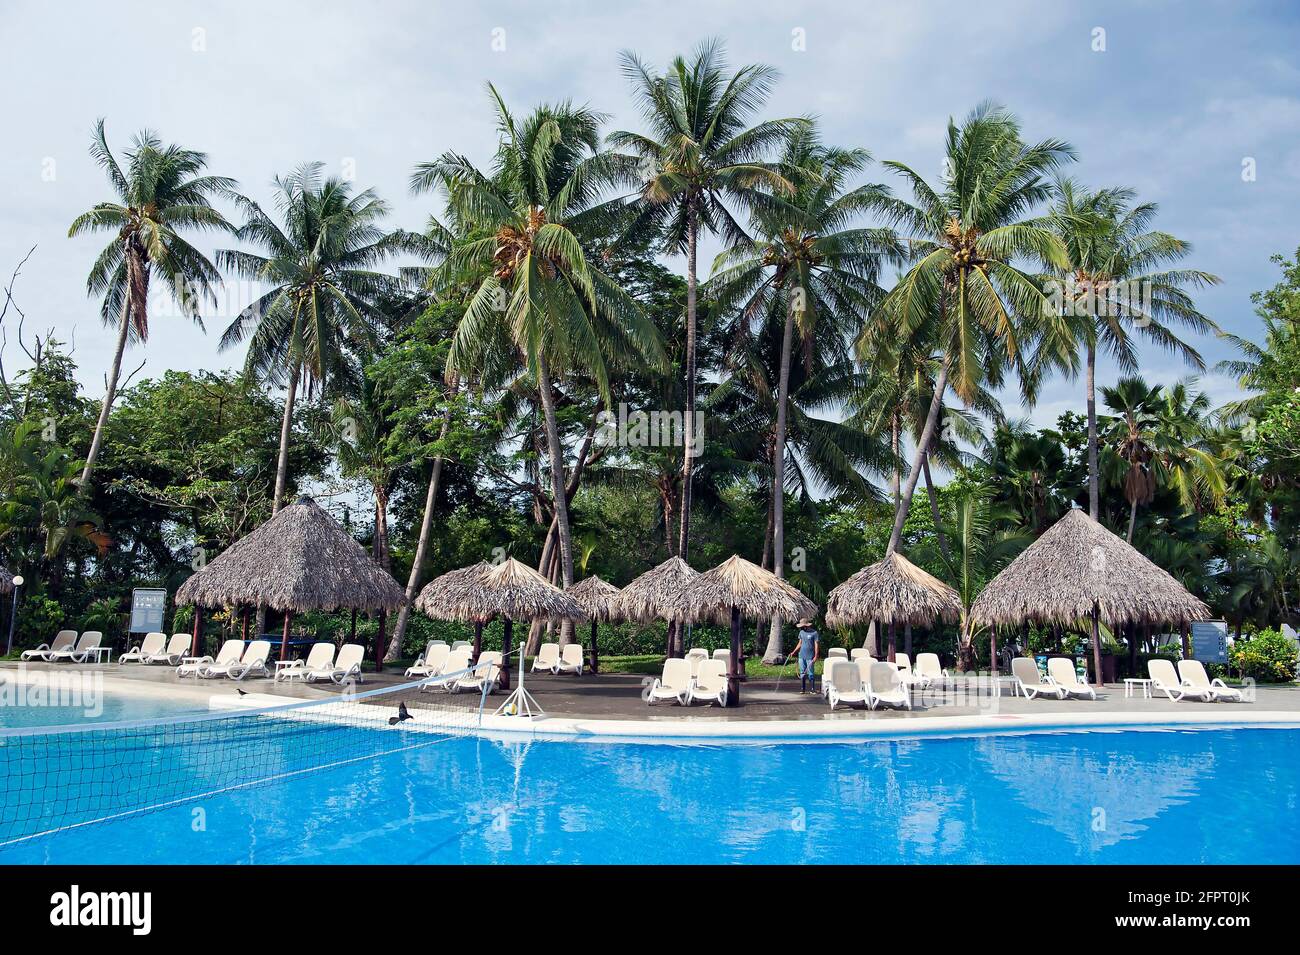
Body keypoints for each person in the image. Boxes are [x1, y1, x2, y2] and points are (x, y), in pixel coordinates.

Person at [786, 618, 819, 694]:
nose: (801, 628)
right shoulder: (801, 632)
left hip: (810, 656)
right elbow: (800, 643)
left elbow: (816, 645)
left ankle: (812, 689)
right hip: (801, 655)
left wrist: (816, 656)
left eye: (802, 626)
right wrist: (793, 652)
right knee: (802, 672)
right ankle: (802, 689)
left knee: (811, 672)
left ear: (806, 626)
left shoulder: (814, 633)